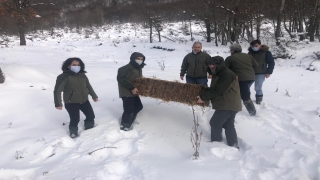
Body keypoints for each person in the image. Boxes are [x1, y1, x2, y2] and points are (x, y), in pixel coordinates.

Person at [197, 56, 242, 148]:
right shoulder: (219, 73)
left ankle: (216, 144)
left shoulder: (226, 74)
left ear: (219, 64)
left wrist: (203, 97)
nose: (211, 66)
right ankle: (233, 145)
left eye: (213, 64)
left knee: (215, 123)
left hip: (227, 104)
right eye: (210, 65)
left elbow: (219, 90)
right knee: (228, 124)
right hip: (230, 103)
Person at [54, 58, 98, 138]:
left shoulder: (82, 75)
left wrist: (94, 95)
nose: (76, 67)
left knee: (91, 116)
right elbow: (57, 91)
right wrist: (58, 103)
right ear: (68, 66)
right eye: (74, 65)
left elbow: (88, 86)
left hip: (84, 100)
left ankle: (89, 129)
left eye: (78, 65)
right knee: (75, 119)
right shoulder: (63, 77)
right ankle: (73, 132)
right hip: (71, 102)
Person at [225, 44, 258, 116]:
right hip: (251, 77)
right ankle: (238, 106)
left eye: (231, 50)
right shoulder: (248, 56)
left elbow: (225, 69)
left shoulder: (230, 58)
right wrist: (250, 71)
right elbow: (256, 65)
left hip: (240, 78)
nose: (230, 51)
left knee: (244, 95)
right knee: (242, 92)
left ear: (233, 50)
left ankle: (252, 112)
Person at [117, 52, 146, 131]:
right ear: (133, 59)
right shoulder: (124, 68)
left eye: (141, 59)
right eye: (138, 59)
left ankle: (131, 117)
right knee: (128, 109)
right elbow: (121, 79)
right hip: (126, 92)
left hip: (134, 92)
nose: (140, 60)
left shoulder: (138, 68)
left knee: (139, 106)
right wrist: (131, 88)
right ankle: (124, 124)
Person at [248, 40, 275, 104]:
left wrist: (269, 72)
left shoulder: (266, 52)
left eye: (256, 46)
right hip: (250, 72)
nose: (254, 47)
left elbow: (271, 63)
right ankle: (247, 100)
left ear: (260, 45)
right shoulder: (250, 52)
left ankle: (258, 102)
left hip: (261, 72)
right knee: (246, 87)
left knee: (257, 88)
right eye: (253, 46)